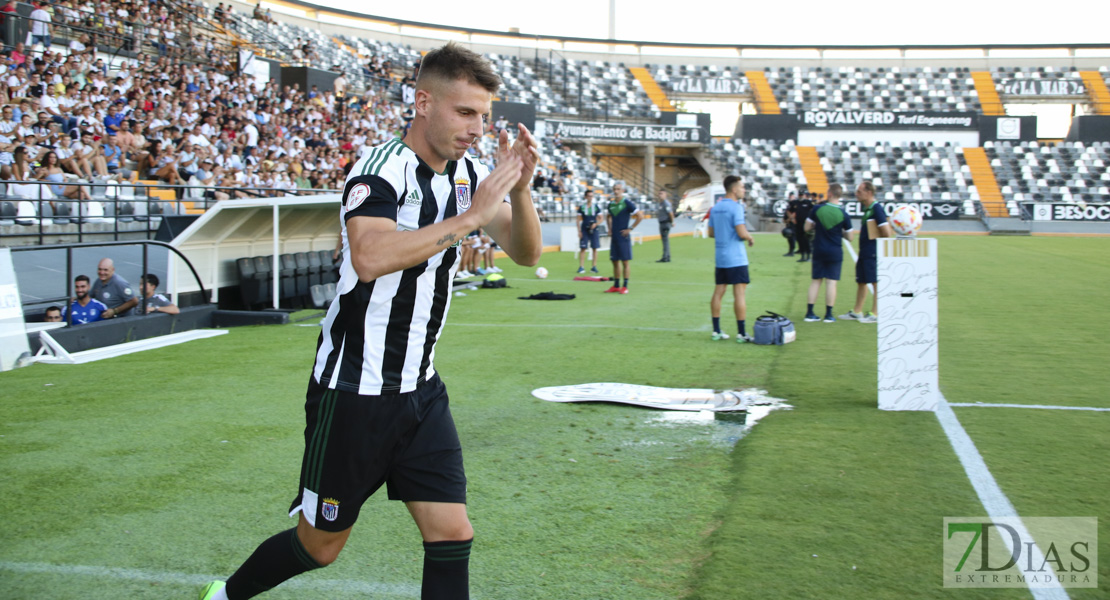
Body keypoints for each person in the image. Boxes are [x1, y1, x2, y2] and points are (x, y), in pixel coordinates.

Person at [199, 42, 542, 600]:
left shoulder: (467, 175)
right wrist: (473, 215)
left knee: (452, 533)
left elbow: (526, 253)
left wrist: (520, 191)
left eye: (483, 115)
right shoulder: (381, 170)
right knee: (320, 546)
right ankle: (227, 595)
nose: (477, 128)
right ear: (423, 101)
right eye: (464, 112)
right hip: (356, 389)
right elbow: (371, 257)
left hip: (421, 388)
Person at [708, 175, 755, 342]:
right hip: (736, 257)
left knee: (718, 292)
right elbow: (742, 232)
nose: (744, 190)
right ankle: (742, 333)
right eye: (742, 187)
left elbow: (711, 233)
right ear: (734, 189)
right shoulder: (736, 207)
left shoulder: (716, 207)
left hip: (721, 257)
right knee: (740, 294)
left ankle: (716, 331)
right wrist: (749, 238)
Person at [840, 182, 891, 324]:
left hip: (873, 252)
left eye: (859, 191)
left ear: (868, 192)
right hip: (865, 251)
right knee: (861, 281)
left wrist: (877, 241)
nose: (856, 194)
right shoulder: (869, 209)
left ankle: (875, 313)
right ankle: (857, 311)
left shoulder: (876, 209)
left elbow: (887, 232)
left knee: (875, 282)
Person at [804, 184, 852, 323]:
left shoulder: (818, 209)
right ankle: (829, 315)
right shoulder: (843, 214)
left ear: (829, 193)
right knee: (831, 282)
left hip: (819, 248)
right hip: (835, 250)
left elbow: (806, 228)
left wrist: (817, 226)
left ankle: (810, 312)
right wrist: (840, 232)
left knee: (816, 281)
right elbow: (850, 237)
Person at [604, 183, 642, 294]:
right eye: (614, 189)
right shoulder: (611, 204)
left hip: (623, 237)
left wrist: (630, 228)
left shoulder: (627, 203)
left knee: (625, 262)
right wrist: (609, 228)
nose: (616, 191)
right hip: (614, 237)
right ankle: (616, 285)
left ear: (623, 190)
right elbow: (608, 216)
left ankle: (625, 286)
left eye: (618, 189)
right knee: (614, 261)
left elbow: (640, 215)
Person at [576, 189, 601, 274]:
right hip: (584, 229)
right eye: (589, 196)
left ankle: (594, 266)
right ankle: (581, 266)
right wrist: (579, 231)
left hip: (594, 229)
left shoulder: (596, 206)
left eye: (591, 196)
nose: (590, 197)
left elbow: (601, 218)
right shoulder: (582, 207)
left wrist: (596, 224)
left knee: (594, 248)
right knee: (583, 248)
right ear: (585, 197)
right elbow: (578, 220)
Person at [793, 191, 814, 262]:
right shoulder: (795, 202)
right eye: (799, 195)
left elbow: (813, 210)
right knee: (800, 240)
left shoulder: (808, 202)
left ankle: (808, 256)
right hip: (798, 224)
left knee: (806, 240)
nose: (800, 196)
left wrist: (811, 221)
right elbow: (789, 210)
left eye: (801, 195)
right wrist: (792, 218)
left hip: (805, 224)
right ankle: (802, 256)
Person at [655, 189, 675, 263]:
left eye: (662, 194)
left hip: (665, 223)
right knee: (664, 240)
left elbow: (670, 213)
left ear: (665, 195)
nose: (660, 195)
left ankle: (665, 257)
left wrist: (672, 222)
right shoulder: (660, 203)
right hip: (662, 223)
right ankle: (667, 256)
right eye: (659, 193)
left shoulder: (666, 203)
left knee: (665, 240)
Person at [783, 192, 797, 257]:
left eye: (792, 196)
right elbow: (786, 212)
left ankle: (792, 251)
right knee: (789, 237)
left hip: (792, 223)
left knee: (792, 237)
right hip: (789, 223)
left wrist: (789, 219)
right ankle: (790, 251)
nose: (791, 197)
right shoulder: (789, 204)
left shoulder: (795, 204)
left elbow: (794, 213)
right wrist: (785, 220)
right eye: (790, 196)